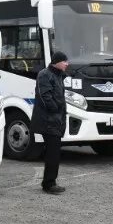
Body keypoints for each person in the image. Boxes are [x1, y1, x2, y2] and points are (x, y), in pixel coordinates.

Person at [32, 50, 70, 193]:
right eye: (65, 61)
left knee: (54, 152)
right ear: (57, 62)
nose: (67, 63)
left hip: (55, 120)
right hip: (48, 120)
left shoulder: (58, 76)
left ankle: (50, 181)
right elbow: (45, 95)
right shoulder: (45, 75)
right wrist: (55, 109)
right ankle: (49, 184)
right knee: (52, 153)